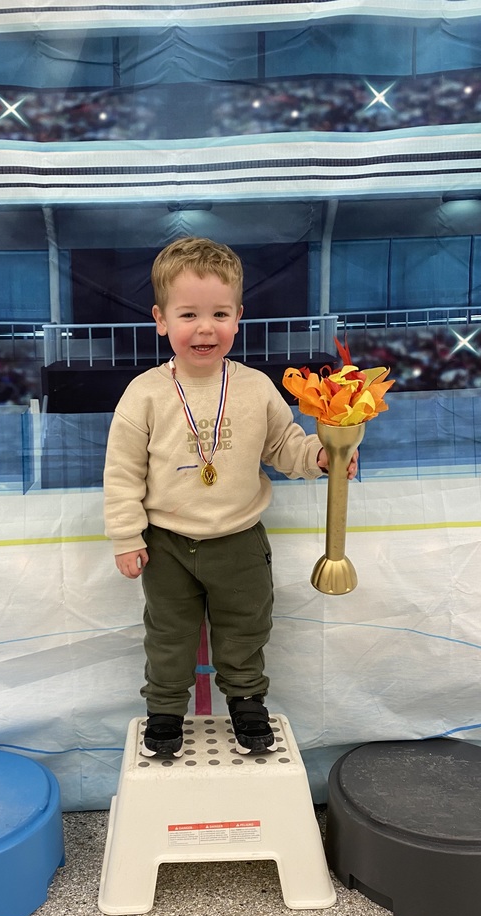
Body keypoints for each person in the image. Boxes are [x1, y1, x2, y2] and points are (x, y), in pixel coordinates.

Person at [103, 237, 357, 758]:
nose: (204, 328)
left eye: (219, 313)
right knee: (169, 635)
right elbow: (122, 473)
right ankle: (165, 713)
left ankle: (246, 704)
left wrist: (321, 457)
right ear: (160, 319)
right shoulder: (144, 392)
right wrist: (127, 536)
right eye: (188, 313)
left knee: (245, 630)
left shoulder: (256, 387)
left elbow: (283, 445)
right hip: (167, 542)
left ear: (239, 317)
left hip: (240, 541)